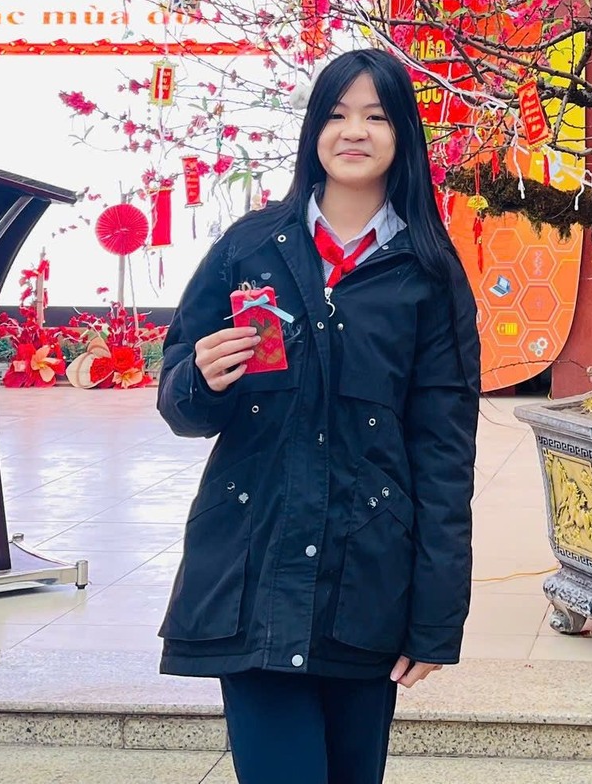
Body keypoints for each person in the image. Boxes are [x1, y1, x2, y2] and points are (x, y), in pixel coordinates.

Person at [158, 49, 481, 784]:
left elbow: (443, 455)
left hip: (365, 585)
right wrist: (200, 380)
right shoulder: (248, 248)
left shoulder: (430, 275)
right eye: (336, 114)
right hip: (252, 573)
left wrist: (435, 619)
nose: (353, 131)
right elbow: (179, 398)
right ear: (313, 131)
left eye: (375, 116)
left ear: (403, 133)